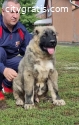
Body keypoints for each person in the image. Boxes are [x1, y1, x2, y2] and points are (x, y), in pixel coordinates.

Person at [0, 0, 32, 100]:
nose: (15, 15)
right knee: (1, 51)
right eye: (11, 11)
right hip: (1, 59)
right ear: (3, 12)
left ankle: (6, 85)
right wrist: (3, 69)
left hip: (9, 61)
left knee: (26, 62)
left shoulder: (21, 29)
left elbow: (28, 51)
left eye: (17, 12)